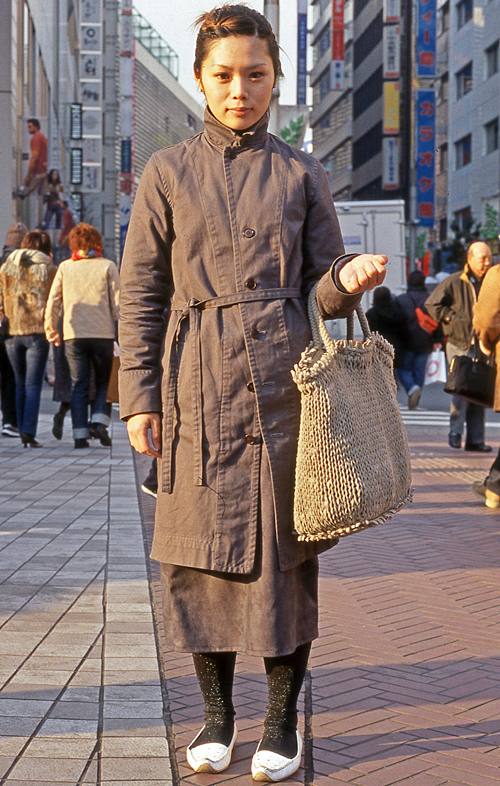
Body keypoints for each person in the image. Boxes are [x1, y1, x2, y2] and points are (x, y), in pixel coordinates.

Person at [118, 6, 388, 782]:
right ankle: (216, 716)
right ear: (202, 80)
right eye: (224, 75)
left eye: (257, 75)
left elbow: (321, 288)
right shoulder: (167, 172)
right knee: (197, 562)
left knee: (285, 560)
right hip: (196, 388)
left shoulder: (303, 172)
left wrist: (348, 280)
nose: (241, 90)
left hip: (285, 391)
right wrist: (141, 398)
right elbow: (141, 293)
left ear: (276, 79)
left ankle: (278, 724)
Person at [44, 223, 120, 449]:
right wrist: (124, 331)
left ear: (73, 244)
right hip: (102, 333)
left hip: (73, 335)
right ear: (98, 242)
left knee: (79, 384)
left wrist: (51, 331)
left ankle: (79, 435)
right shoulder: (108, 266)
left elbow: (53, 301)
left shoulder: (66, 267)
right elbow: (118, 302)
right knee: (104, 381)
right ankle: (98, 422)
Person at [426, 241, 492, 452]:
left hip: (484, 344)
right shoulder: (455, 281)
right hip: (459, 343)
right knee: (461, 390)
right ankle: (455, 432)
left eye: (490, 258)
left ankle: (476, 439)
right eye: (483, 258)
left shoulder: (492, 281)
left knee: (480, 391)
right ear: (470, 259)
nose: (487, 262)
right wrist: (451, 318)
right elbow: (432, 304)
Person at [0, 229, 56, 447]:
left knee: (19, 383)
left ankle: (17, 424)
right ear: (46, 248)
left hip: (12, 333)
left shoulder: (7, 268)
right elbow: (54, 301)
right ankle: (28, 432)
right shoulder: (50, 269)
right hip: (37, 333)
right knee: (33, 385)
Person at [471, 264, 500, 507]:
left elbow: (486, 317)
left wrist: (486, 344)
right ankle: (495, 485)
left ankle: (495, 486)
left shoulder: (498, 273)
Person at [396, 270, 442, 410]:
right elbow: (437, 320)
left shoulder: (401, 299)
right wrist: (437, 339)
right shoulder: (431, 299)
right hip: (425, 340)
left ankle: (411, 388)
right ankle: (416, 398)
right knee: (419, 371)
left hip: (406, 341)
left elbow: (396, 321)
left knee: (402, 368)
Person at [0, 224, 27, 438]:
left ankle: (8, 420)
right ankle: (14, 421)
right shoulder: (28, 265)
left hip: (2, 326)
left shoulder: (1, 263)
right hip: (21, 328)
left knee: (6, 376)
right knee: (18, 377)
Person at [366, 286, 408, 380]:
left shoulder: (371, 314)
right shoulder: (398, 311)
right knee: (398, 369)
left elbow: (369, 332)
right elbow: (404, 330)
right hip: (397, 345)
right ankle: (410, 387)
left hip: (379, 346)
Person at [21, 119, 48, 197]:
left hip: (38, 171)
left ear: (36, 127)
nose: (28, 129)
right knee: (43, 196)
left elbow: (34, 157)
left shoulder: (36, 138)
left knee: (24, 192)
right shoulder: (43, 137)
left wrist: (28, 175)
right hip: (44, 171)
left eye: (30, 127)